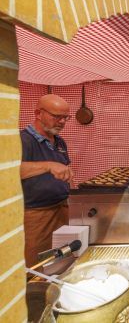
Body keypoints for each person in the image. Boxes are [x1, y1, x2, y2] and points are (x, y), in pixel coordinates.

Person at [20, 94, 74, 267]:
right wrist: (48, 165)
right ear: (38, 113)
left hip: (62, 209)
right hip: (36, 216)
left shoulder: (60, 142)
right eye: (56, 116)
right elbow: (9, 171)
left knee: (61, 262)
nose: (62, 122)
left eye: (65, 117)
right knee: (36, 266)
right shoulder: (22, 140)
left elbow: (64, 170)